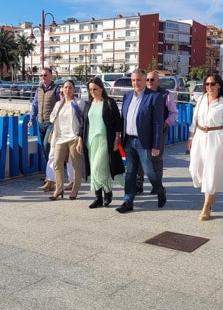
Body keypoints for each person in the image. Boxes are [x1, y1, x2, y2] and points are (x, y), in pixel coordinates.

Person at [116, 69, 167, 213]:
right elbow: (123, 118)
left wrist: (156, 145)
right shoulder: (127, 97)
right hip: (129, 141)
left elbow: (158, 123)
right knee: (130, 172)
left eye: (138, 80)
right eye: (133, 80)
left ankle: (160, 189)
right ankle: (128, 201)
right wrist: (118, 136)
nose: (135, 83)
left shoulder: (155, 97)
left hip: (144, 142)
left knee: (149, 171)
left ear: (145, 81)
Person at [187, 73, 223, 221]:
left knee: (210, 171)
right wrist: (190, 138)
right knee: (194, 169)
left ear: (219, 85)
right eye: (207, 84)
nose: (209, 87)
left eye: (212, 84)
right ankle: (211, 191)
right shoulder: (200, 100)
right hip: (200, 135)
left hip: (216, 138)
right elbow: (194, 121)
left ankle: (207, 205)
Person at [76, 77, 125, 209]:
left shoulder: (109, 103)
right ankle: (98, 197)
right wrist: (80, 140)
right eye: (90, 89)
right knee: (94, 169)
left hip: (105, 141)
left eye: (95, 89)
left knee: (98, 168)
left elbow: (117, 123)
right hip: (90, 141)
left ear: (101, 88)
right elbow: (83, 125)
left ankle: (107, 192)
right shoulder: (88, 105)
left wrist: (116, 139)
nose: (92, 92)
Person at [135, 70, 178, 194]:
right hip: (143, 130)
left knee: (157, 158)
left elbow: (174, 113)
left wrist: (165, 123)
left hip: (159, 131)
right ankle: (139, 184)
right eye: (147, 79)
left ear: (158, 81)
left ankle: (157, 185)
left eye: (152, 80)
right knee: (140, 157)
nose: (149, 82)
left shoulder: (165, 95)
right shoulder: (141, 94)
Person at [48, 80, 85, 200]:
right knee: (57, 163)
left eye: (70, 88)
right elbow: (51, 118)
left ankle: (75, 188)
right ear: (62, 89)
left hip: (74, 137)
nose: (67, 90)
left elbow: (84, 122)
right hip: (60, 137)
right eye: (65, 87)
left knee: (76, 165)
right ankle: (59, 187)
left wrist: (81, 138)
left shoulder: (79, 103)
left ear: (74, 90)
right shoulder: (59, 104)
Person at [28, 68, 61, 190]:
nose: (43, 77)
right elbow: (35, 105)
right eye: (41, 75)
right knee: (44, 149)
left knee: (48, 149)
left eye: (45, 75)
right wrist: (31, 119)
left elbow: (61, 105)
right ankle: (50, 175)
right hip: (40, 123)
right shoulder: (39, 89)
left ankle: (51, 178)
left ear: (51, 76)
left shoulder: (56, 90)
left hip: (51, 124)